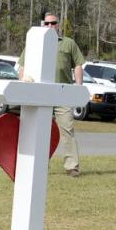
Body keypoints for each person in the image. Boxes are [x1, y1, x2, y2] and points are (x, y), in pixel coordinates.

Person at [18, 11, 86, 177]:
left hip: (62, 94)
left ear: (58, 24)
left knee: (67, 130)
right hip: (40, 95)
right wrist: (24, 83)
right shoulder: (35, 43)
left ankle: (72, 167)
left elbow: (78, 64)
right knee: (39, 131)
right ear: (42, 25)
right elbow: (22, 66)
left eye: (53, 23)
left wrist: (78, 86)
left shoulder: (68, 43)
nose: (50, 26)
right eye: (47, 23)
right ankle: (39, 165)